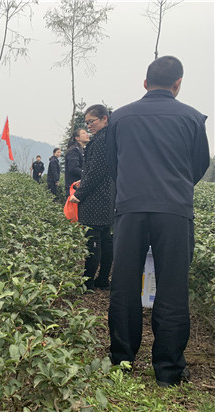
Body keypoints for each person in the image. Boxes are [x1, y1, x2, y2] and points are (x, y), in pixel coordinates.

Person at [105, 56, 210, 387]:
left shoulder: (120, 117)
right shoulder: (192, 118)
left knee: (124, 285)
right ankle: (169, 370)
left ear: (145, 82)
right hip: (174, 211)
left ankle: (121, 361)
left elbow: (113, 164)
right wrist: (173, 190)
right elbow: (198, 165)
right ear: (178, 83)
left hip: (130, 209)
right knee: (172, 287)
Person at [69, 106, 114, 290]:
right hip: (106, 196)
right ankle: (102, 280)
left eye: (91, 121)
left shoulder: (101, 140)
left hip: (96, 198)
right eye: (86, 122)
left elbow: (96, 172)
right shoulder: (108, 138)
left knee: (94, 241)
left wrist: (79, 195)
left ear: (104, 119)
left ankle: (88, 283)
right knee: (106, 239)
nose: (89, 126)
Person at [64, 128, 89, 198]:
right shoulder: (74, 150)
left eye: (86, 132)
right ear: (77, 138)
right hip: (74, 188)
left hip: (80, 186)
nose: (87, 134)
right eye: (83, 133)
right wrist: (87, 174)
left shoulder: (82, 150)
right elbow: (73, 168)